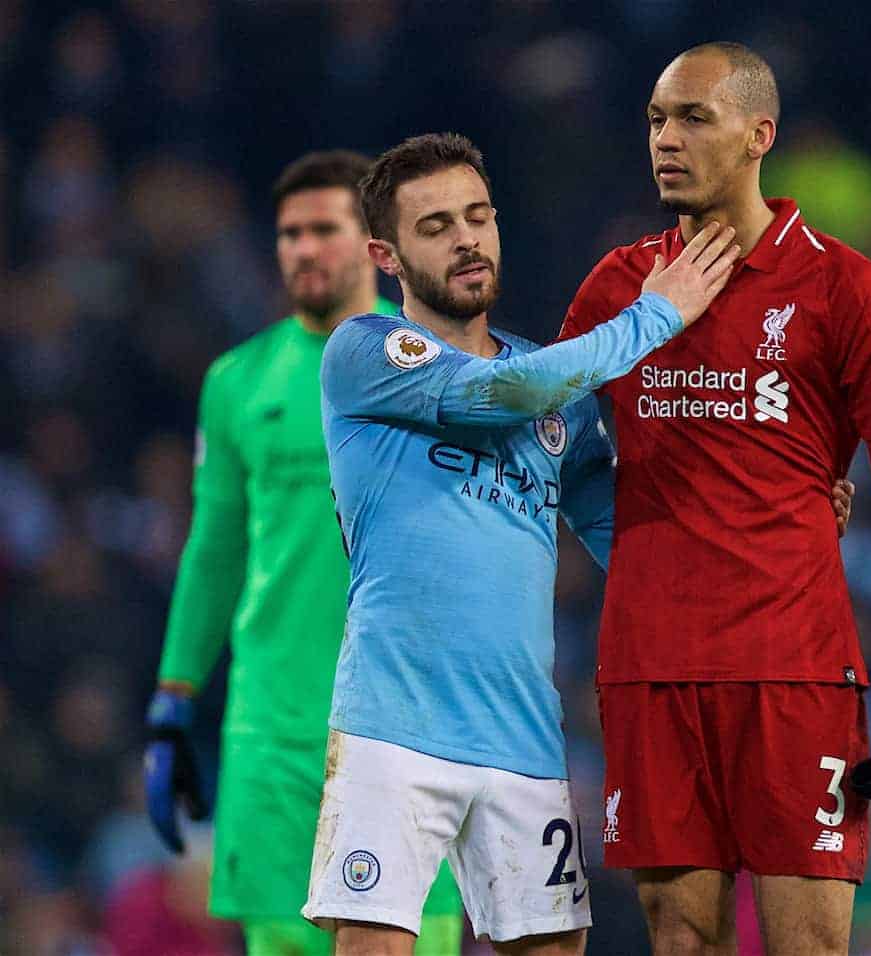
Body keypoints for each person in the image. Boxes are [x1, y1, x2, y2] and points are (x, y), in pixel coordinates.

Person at [300, 132, 742, 956]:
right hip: (395, 723)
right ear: (385, 255)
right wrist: (657, 315)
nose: (467, 238)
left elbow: (627, 529)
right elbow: (501, 394)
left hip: (523, 731)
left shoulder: (555, 385)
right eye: (435, 227)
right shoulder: (363, 353)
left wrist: (765, 521)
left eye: (478, 216)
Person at [558, 42, 871, 954]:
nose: (666, 138)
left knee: (807, 945)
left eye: (694, 117)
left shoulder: (845, 288)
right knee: (682, 939)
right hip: (650, 669)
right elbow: (549, 445)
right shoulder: (620, 289)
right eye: (657, 118)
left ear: (758, 135)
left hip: (794, 668)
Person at [142, 151, 463, 956]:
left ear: (375, 245)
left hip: (407, 734)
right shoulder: (238, 382)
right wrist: (174, 694)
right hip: (273, 739)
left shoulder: (439, 369)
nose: (303, 250)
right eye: (290, 234)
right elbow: (213, 548)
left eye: (325, 229)